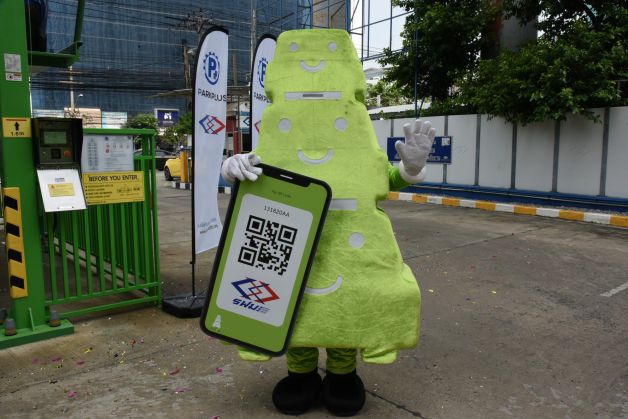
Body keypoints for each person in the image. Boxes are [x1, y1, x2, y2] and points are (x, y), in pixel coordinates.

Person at [221, 29, 435, 416]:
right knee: (295, 305)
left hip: (347, 243)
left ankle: (341, 373)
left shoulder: (357, 135)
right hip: (290, 237)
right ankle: (301, 373)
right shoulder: (277, 138)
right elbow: (256, 174)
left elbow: (384, 179)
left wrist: (410, 169)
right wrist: (232, 168)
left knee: (344, 304)